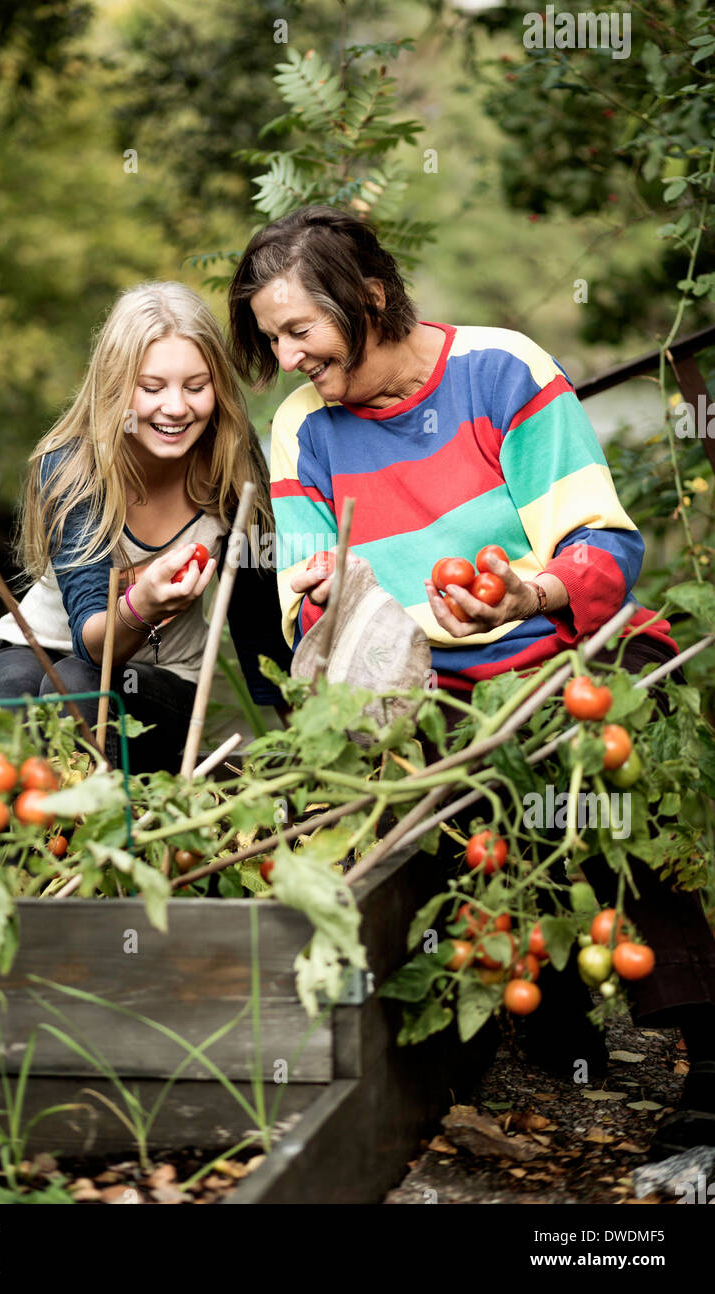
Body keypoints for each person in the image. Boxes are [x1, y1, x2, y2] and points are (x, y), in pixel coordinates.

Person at [226, 204, 715, 1158]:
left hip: (561, 653)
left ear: (368, 297)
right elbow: (307, 603)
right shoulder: (305, 428)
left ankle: (707, 1049)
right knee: (439, 813)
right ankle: (548, 1012)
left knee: (618, 768)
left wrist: (525, 593)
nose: (286, 357)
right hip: (426, 687)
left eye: (299, 330)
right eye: (271, 339)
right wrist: (321, 598)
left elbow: (603, 547)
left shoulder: (502, 370)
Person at [0, 281, 290, 774]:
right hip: (41, 646)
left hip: (161, 678)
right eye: (151, 388)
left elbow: (257, 626)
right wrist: (143, 605)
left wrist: (304, 743)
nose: (176, 407)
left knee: (78, 686)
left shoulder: (231, 462)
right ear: (116, 388)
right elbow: (88, 638)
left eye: (196, 386)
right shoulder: (75, 467)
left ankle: (88, 830)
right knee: (9, 719)